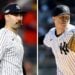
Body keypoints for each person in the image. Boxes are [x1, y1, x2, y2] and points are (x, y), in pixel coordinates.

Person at [43, 4, 75, 75]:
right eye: (62, 17)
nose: (65, 20)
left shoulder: (72, 32)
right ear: (54, 18)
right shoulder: (51, 33)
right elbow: (45, 41)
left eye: (67, 17)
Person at [0, 3, 24, 75]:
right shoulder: (2, 35)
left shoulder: (18, 38)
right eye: (16, 15)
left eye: (20, 15)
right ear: (7, 17)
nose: (19, 18)